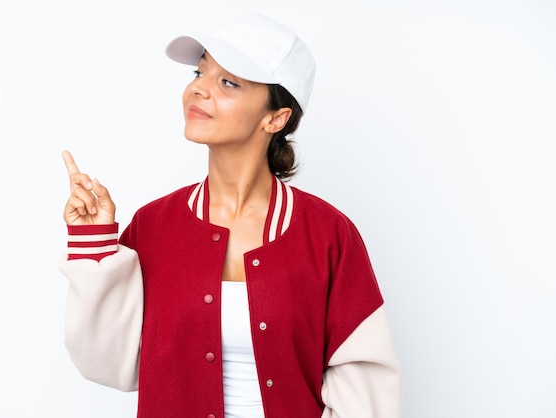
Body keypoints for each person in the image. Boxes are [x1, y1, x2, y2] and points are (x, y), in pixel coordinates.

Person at [59, 12, 401, 418]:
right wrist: (95, 244)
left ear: (275, 118)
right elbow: (108, 365)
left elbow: (365, 390)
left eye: (228, 82)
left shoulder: (329, 235)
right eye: (199, 72)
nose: (198, 90)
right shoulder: (153, 226)